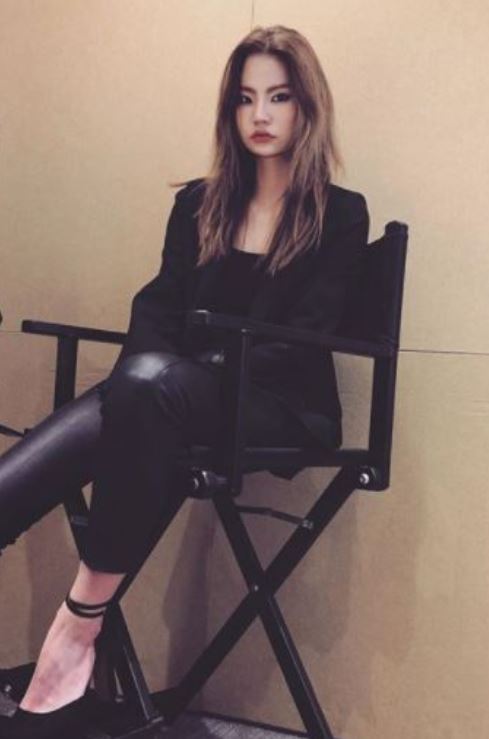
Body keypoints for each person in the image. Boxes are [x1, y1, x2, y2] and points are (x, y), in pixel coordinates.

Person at [0, 24, 369, 738]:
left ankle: (77, 630)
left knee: (148, 388)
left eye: (279, 97)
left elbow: (305, 338)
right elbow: (158, 309)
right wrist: (157, 380)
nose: (260, 114)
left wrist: (175, 377)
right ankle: (73, 657)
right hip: (170, 401)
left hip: (278, 406)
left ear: (307, 106)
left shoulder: (338, 214)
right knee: (142, 389)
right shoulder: (199, 203)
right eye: (245, 98)